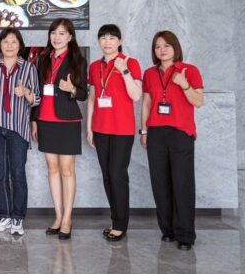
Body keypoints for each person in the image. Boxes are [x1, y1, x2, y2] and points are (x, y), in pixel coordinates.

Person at [140, 30, 204, 251]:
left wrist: (184, 84)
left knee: (182, 183)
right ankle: (167, 230)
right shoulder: (150, 73)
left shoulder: (190, 71)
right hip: (156, 133)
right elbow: (146, 104)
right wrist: (144, 132)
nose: (162, 50)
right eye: (158, 46)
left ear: (175, 47)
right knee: (160, 183)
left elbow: (198, 101)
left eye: (166, 45)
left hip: (181, 133)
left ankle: (185, 235)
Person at [0, 27, 40, 236]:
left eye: (14, 41)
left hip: (18, 129)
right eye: (5, 41)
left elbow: (36, 99)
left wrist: (25, 92)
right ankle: (4, 214)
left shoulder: (29, 68)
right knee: (0, 173)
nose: (10, 45)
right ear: (0, 45)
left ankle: (18, 217)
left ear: (20, 45)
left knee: (18, 174)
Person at [31, 18, 87, 240]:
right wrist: (34, 119)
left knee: (67, 170)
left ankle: (67, 219)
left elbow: (83, 94)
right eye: (54, 33)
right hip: (45, 119)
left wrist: (72, 89)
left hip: (67, 121)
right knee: (52, 169)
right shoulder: (43, 59)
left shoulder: (77, 60)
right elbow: (37, 91)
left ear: (70, 37)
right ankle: (58, 216)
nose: (57, 37)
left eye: (62, 33)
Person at [86, 24, 142, 242]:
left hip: (122, 129)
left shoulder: (130, 63)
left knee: (118, 175)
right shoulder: (94, 66)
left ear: (120, 41)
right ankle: (116, 220)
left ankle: (120, 224)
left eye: (112, 38)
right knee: (108, 176)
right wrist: (89, 128)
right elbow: (93, 98)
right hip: (101, 128)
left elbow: (136, 95)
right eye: (103, 38)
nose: (107, 42)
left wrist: (124, 71)